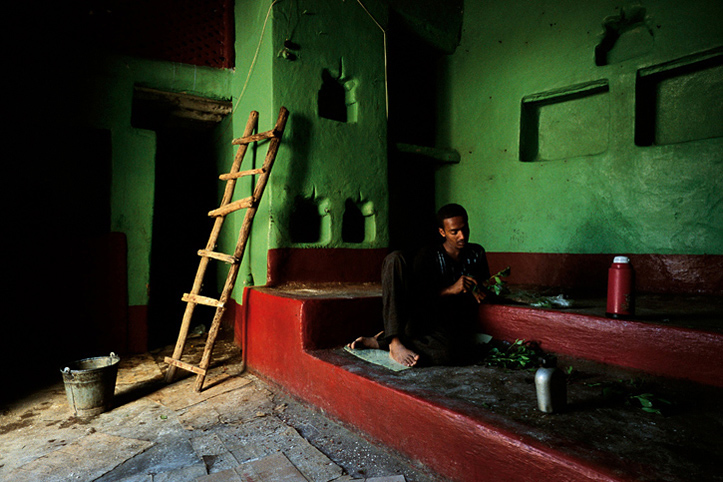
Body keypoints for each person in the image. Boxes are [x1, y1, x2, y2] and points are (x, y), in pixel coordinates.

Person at [347, 203, 491, 367]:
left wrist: (478, 291)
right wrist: (451, 289)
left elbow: (485, 287)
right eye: (454, 232)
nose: (462, 236)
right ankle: (394, 342)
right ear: (442, 232)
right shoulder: (429, 255)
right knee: (395, 259)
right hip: (420, 318)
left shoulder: (476, 253)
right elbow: (419, 300)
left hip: (443, 326)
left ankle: (383, 341)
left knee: (448, 353)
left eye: (464, 229)